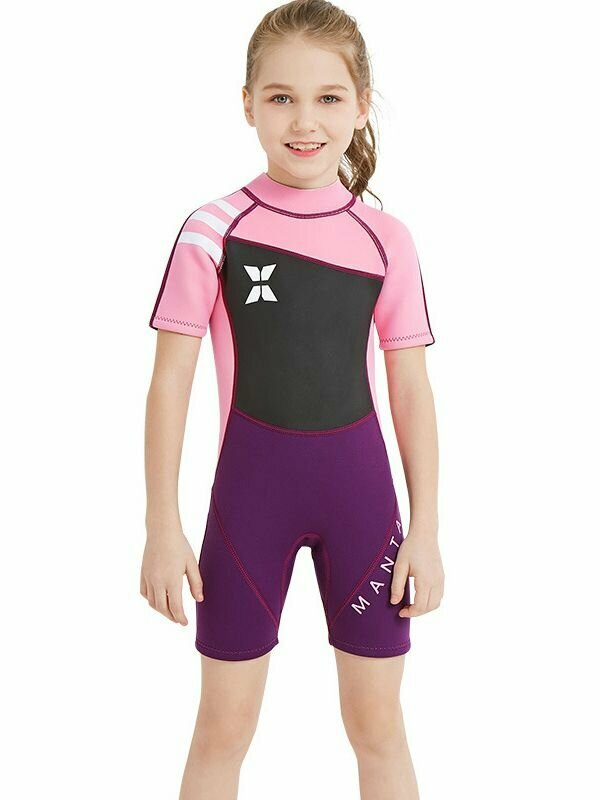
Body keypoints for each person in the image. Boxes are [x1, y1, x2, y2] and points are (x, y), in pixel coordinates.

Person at [141, 1, 445, 797]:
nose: (304, 121)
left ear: (361, 106)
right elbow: (169, 383)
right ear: (247, 104)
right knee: (221, 729)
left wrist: (427, 530)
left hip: (365, 510)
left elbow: (411, 389)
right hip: (247, 511)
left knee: (378, 727)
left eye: (328, 98)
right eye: (281, 97)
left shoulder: (386, 240)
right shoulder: (213, 230)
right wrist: (161, 525)